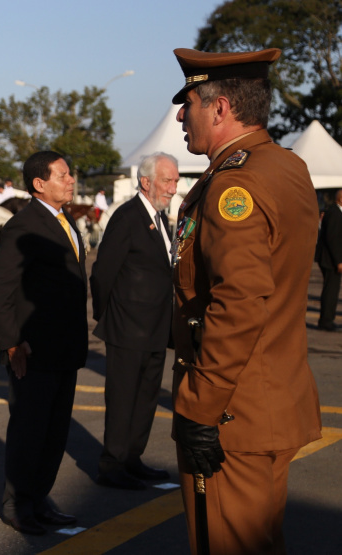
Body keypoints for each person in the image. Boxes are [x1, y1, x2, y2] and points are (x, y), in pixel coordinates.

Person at [170, 47, 322, 555]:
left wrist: (200, 408)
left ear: (219, 109)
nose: (179, 116)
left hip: (233, 414)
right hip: (273, 401)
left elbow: (239, 303)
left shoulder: (234, 183)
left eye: (187, 103)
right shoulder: (286, 166)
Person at [0, 151, 86, 536]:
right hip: (34, 351)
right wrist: (12, 342)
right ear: (39, 184)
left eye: (69, 173)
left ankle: (40, 500)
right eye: (63, 175)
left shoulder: (64, 220)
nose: (71, 180)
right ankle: (18, 505)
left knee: (54, 432)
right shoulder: (23, 226)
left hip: (65, 348)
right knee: (30, 431)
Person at [91, 152, 179, 490]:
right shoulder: (127, 217)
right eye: (167, 181)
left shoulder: (158, 217)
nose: (173, 188)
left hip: (156, 327)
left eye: (174, 181)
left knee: (146, 399)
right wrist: (109, 316)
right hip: (128, 328)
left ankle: (132, 458)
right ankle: (112, 465)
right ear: (146, 182)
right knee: (124, 397)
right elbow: (102, 274)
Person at [317, 189, 342, 331]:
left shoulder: (334, 212)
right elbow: (333, 239)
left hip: (330, 258)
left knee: (331, 290)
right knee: (330, 291)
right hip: (330, 260)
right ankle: (326, 321)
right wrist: (338, 261)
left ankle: (327, 319)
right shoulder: (335, 214)